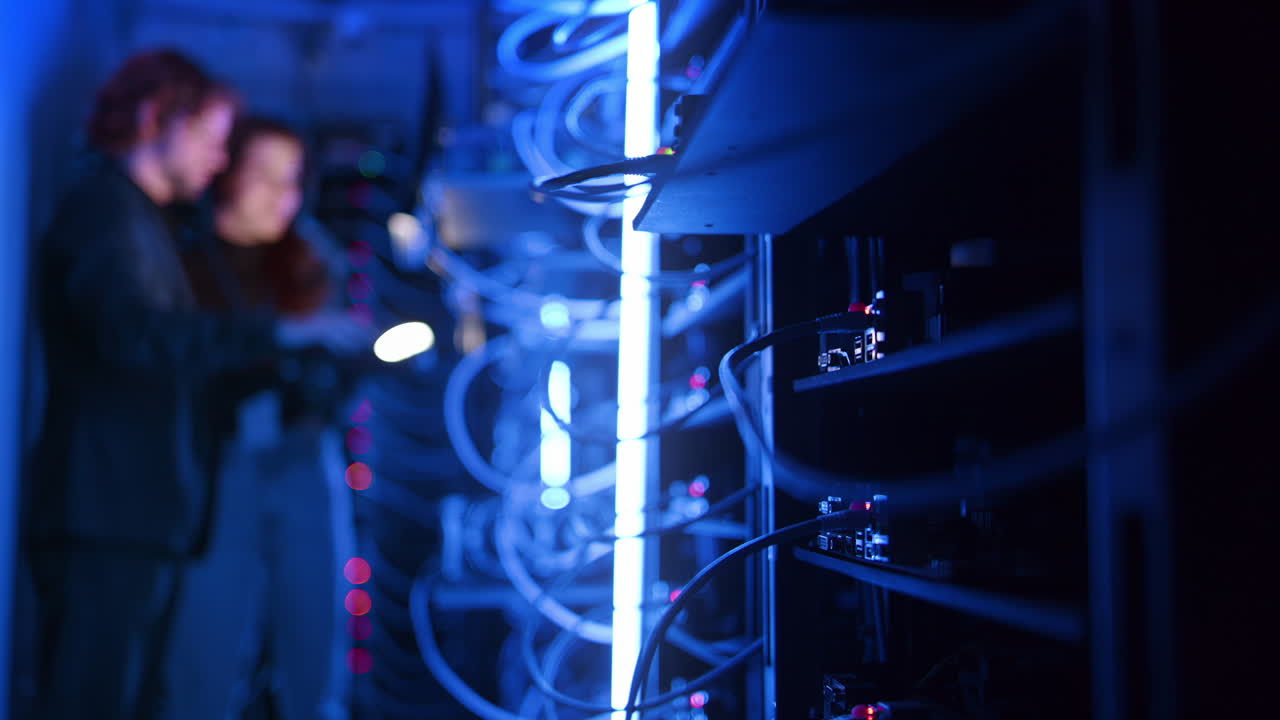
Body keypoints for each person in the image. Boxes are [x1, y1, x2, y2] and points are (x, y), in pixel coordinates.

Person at [27, 50, 369, 720]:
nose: (217, 161)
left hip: (129, 511)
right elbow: (135, 335)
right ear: (159, 119)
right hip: (109, 509)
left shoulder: (138, 221)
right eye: (213, 141)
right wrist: (279, 335)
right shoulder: (109, 214)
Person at [165, 116, 361, 720]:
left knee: (314, 628)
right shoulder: (185, 263)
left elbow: (349, 351)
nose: (284, 195)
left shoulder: (310, 258)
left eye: (293, 179)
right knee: (208, 641)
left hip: (303, 452)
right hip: (221, 463)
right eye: (266, 176)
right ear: (226, 173)